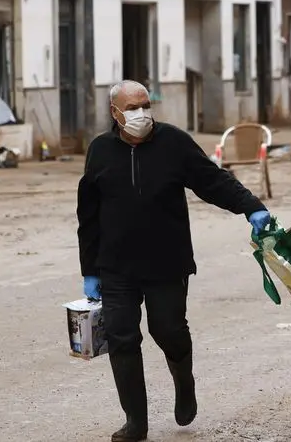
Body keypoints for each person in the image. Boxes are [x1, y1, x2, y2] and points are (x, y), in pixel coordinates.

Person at [76, 80, 272, 442]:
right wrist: (90, 269)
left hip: (167, 262)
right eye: (132, 107)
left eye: (145, 105)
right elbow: (88, 215)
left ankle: (184, 380)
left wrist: (251, 207)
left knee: (167, 330)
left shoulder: (173, 142)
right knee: (122, 338)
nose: (140, 113)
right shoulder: (100, 151)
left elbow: (212, 181)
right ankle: (136, 421)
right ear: (114, 113)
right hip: (116, 266)